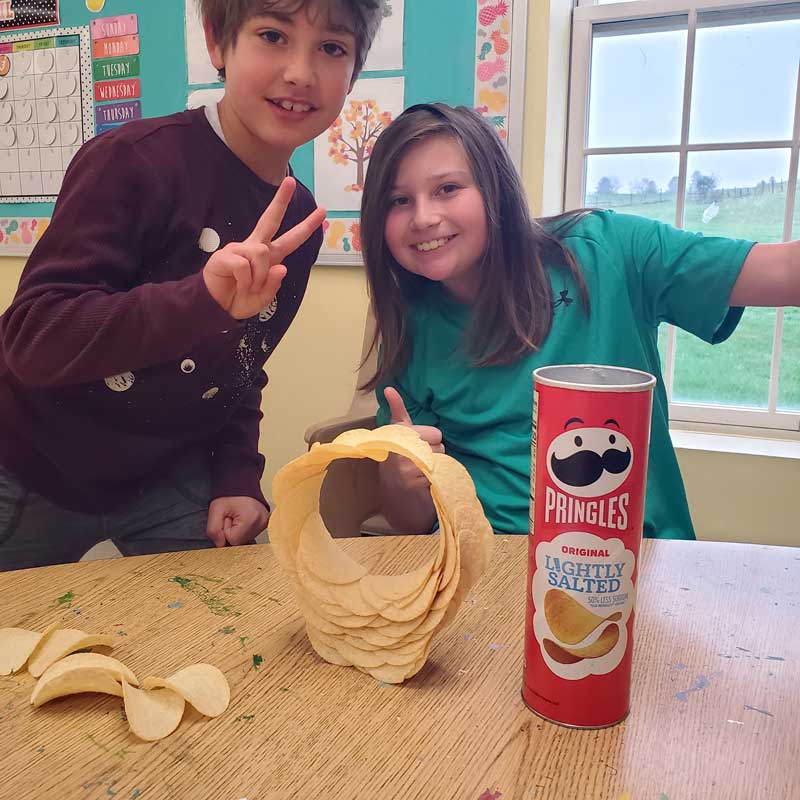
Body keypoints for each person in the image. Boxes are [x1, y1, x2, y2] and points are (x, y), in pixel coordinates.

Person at [0, 0, 384, 571]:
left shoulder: (295, 223)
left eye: (332, 48)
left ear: (353, 72)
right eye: (273, 35)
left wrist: (236, 474)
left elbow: (241, 364)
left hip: (164, 475)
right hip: (30, 464)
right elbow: (34, 339)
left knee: (226, 624)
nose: (301, 72)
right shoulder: (130, 162)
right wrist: (200, 301)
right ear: (216, 42)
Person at [359, 103, 800, 539]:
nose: (423, 217)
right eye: (399, 200)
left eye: (447, 188)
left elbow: (781, 272)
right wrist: (401, 480)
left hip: (635, 560)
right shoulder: (407, 325)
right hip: (487, 565)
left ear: (495, 188)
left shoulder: (610, 250)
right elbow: (409, 521)